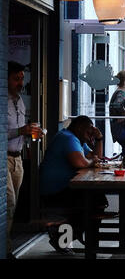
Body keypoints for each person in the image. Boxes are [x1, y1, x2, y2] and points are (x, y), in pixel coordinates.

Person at [39, 115, 108, 254]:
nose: (90, 137)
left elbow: (96, 158)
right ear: (79, 128)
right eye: (89, 133)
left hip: (65, 187)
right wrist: (92, 161)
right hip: (56, 191)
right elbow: (81, 163)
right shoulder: (68, 138)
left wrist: (99, 139)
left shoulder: (76, 139)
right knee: (95, 201)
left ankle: (73, 238)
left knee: (98, 199)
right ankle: (64, 238)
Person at [7, 62, 43, 258]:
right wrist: (21, 131)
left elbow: (22, 129)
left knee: (13, 205)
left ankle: (6, 245)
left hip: (18, 158)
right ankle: (6, 248)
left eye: (22, 78)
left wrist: (32, 132)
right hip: (4, 158)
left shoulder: (19, 101)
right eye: (16, 79)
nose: (21, 83)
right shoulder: (3, 101)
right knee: (8, 203)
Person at [109, 70, 125, 155]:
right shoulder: (121, 93)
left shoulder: (118, 92)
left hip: (117, 128)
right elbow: (117, 104)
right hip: (120, 128)